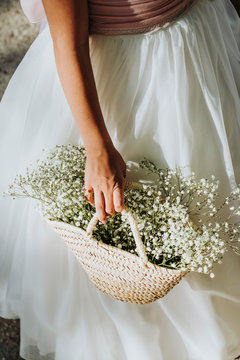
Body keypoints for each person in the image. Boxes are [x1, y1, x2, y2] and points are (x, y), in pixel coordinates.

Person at [0, 0, 240, 359]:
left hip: (191, 45)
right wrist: (98, 150)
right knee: (122, 251)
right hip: (114, 76)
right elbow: (70, 44)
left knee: (203, 223)